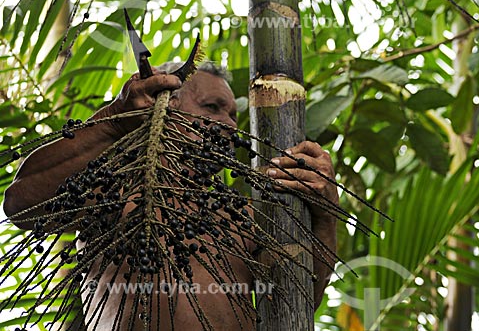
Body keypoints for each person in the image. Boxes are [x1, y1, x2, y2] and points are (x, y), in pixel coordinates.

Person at [3, 62, 338, 330]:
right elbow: (22, 204)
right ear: (163, 105)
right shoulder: (113, 194)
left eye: (233, 115)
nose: (229, 125)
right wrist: (114, 120)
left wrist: (325, 215)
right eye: (213, 108)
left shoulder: (241, 217)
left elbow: (296, 301)